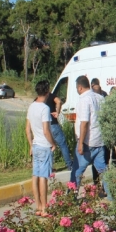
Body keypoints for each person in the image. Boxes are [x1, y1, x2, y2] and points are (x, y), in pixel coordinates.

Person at [73, 76, 110, 198]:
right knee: (103, 170)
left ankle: (71, 197)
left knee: (78, 170)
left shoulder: (84, 100)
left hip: (88, 142)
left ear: (80, 87)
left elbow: (84, 123)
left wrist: (80, 143)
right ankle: (111, 196)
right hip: (100, 140)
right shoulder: (100, 98)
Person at [25, 81, 57, 216]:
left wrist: (31, 145)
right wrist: (53, 143)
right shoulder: (45, 109)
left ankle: (38, 206)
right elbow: (46, 130)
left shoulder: (31, 106)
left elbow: (27, 129)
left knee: (35, 176)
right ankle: (44, 208)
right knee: (43, 177)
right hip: (44, 145)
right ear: (47, 92)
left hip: (36, 145)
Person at [37, 83, 75, 183]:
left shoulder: (38, 100)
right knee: (62, 145)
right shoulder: (51, 95)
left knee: (49, 147)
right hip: (53, 124)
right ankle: (69, 165)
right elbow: (59, 101)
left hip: (44, 126)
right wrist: (57, 112)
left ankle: (50, 167)